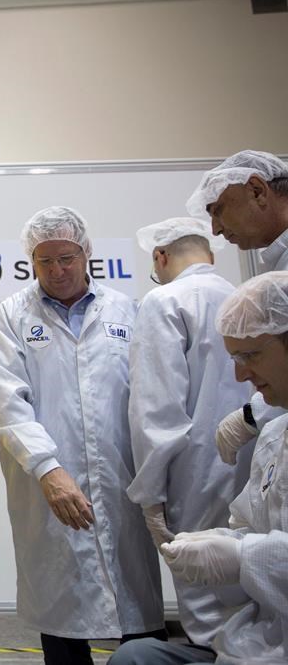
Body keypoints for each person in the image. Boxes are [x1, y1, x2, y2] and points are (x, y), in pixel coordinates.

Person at [0, 206, 165, 664]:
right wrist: (47, 468)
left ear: (86, 254)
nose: (57, 270)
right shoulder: (12, 316)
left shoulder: (126, 309)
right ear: (31, 261)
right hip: (46, 483)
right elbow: (6, 401)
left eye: (66, 258)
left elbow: (150, 396)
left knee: (137, 610)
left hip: (122, 478)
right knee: (61, 611)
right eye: (45, 261)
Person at [108, 271, 288, 665]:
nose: (241, 375)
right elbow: (247, 524)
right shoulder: (274, 439)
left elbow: (154, 411)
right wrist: (220, 542)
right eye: (235, 358)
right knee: (134, 657)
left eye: (251, 355)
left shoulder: (164, 302)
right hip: (259, 642)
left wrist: (243, 557)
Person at [126, 217, 252, 646]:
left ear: (160, 257)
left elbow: (156, 410)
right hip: (257, 465)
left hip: (193, 473)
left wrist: (150, 497)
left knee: (205, 600)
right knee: (250, 588)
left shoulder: (163, 302)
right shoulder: (245, 297)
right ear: (210, 255)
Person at [186, 152, 288, 495]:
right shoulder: (277, 259)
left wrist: (252, 414)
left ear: (258, 190)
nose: (214, 227)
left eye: (218, 209)